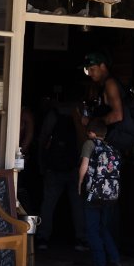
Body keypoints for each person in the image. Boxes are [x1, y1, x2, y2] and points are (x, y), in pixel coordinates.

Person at [35, 100, 87, 251]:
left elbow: (43, 139)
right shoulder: (79, 112)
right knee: (78, 204)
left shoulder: (53, 114)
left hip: (54, 167)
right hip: (74, 167)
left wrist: (42, 163)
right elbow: (83, 140)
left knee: (48, 204)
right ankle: (81, 239)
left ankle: (43, 238)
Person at [78, 118, 123, 266]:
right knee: (103, 228)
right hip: (110, 194)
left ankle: (99, 265)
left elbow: (84, 165)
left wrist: (79, 183)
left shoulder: (89, 144)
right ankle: (115, 261)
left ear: (91, 133)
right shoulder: (111, 148)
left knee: (92, 230)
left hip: (94, 193)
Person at [82, 51, 134, 155]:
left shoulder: (110, 84)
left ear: (102, 66)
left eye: (92, 69)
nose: (89, 73)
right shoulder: (105, 84)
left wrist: (92, 122)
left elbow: (117, 116)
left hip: (119, 136)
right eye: (87, 70)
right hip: (118, 137)